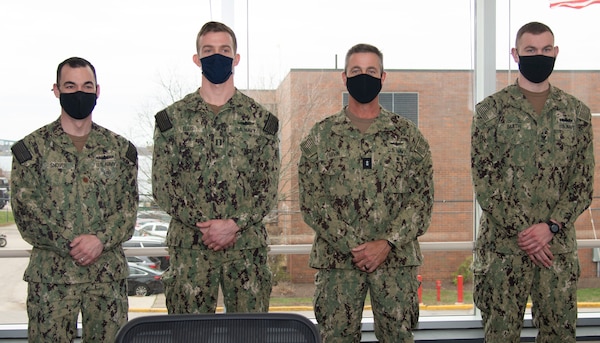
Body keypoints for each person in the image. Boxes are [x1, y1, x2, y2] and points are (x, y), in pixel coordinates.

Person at [299, 43, 434, 343]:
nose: (364, 77)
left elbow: (421, 201)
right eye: (356, 71)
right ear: (344, 77)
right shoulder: (321, 137)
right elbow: (311, 202)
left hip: (396, 264)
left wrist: (386, 242)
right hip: (337, 265)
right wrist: (355, 246)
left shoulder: (408, 136)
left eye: (371, 71)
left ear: (383, 77)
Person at [471, 21, 594, 342]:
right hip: (503, 252)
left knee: (559, 335)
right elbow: (485, 182)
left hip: (557, 249)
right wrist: (528, 234)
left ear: (555, 53)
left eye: (545, 50)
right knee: (500, 335)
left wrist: (549, 228)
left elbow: (582, 183)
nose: (538, 56)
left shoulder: (577, 113)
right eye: (530, 50)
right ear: (515, 54)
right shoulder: (490, 112)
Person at [152, 21, 280, 314]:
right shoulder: (171, 120)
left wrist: (233, 225)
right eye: (208, 51)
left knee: (249, 335)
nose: (216, 56)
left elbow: (267, 189)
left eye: (224, 50)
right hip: (190, 250)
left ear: (236, 59)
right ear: (197, 59)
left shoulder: (262, 121)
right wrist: (210, 228)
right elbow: (162, 187)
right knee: (189, 336)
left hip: (246, 250)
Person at [10, 57, 139, 342]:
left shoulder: (120, 150)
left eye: (86, 85)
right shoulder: (30, 150)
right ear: (56, 90)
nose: (79, 93)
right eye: (70, 86)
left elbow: (127, 212)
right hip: (52, 281)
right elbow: (26, 215)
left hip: (106, 280)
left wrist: (99, 240)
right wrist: (72, 244)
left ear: (98, 90)